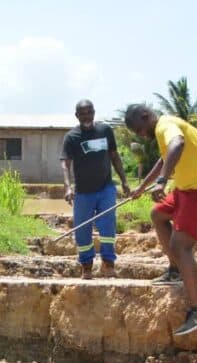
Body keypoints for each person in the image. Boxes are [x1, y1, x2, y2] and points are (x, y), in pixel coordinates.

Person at [125, 104, 197, 336]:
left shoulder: (165, 125)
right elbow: (164, 160)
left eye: (139, 129)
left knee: (180, 245)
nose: (141, 135)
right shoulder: (165, 128)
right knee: (158, 214)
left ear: (145, 116)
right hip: (189, 189)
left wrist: (162, 182)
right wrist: (142, 187)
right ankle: (175, 270)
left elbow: (177, 144)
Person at [61, 100, 130, 279]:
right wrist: (68, 187)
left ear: (94, 112)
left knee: (108, 226)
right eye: (82, 114)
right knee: (82, 230)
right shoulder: (71, 137)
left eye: (89, 112)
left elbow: (114, 156)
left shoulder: (105, 130)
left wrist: (124, 181)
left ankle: (108, 265)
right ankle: (86, 267)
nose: (86, 116)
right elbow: (65, 164)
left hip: (106, 188)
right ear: (77, 115)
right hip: (83, 192)